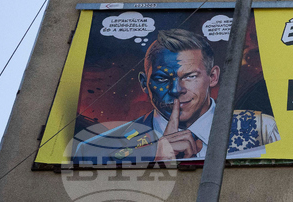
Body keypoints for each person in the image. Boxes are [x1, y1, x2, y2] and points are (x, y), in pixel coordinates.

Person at [73, 29, 279, 164]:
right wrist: (155, 159)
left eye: (189, 76)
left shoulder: (263, 129)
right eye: (162, 79)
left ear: (213, 76)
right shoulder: (96, 148)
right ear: (145, 83)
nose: (176, 89)